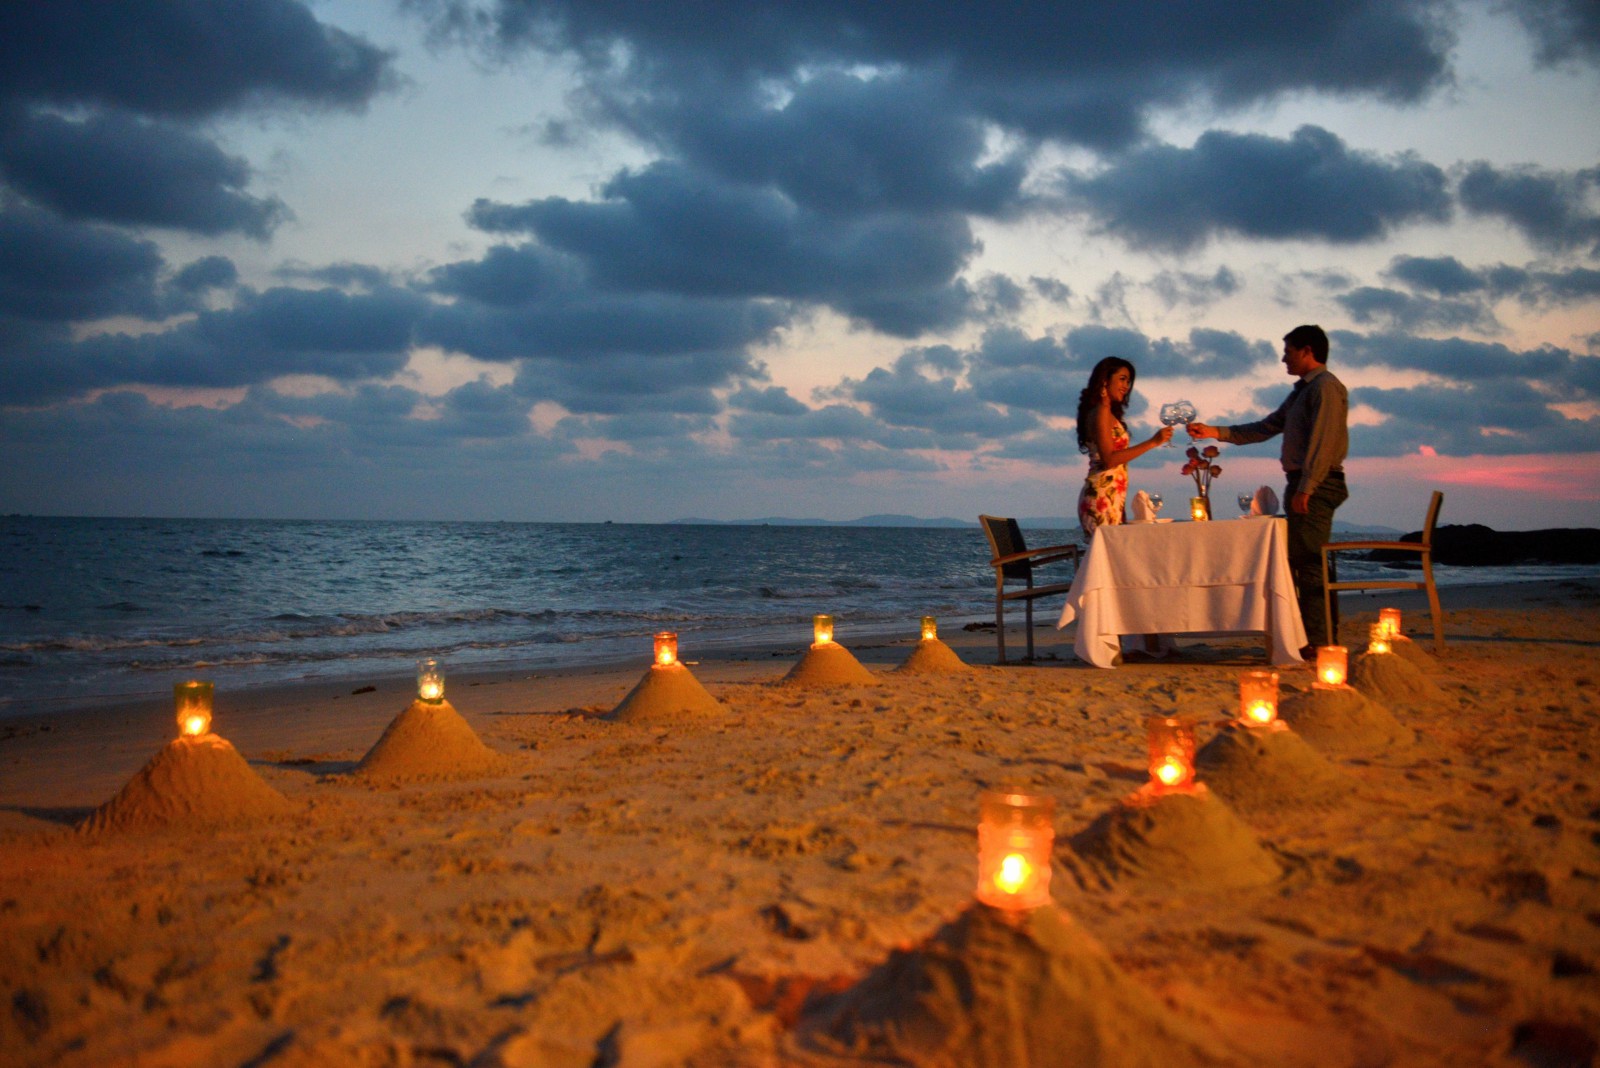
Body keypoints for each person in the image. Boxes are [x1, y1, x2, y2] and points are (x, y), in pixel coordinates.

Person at [1187, 325, 1349, 654]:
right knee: (1302, 561)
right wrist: (1213, 431)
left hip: (1314, 482)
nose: (1283, 358)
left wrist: (1307, 487)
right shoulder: (1301, 392)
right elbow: (1266, 427)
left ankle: (1320, 642)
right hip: (1302, 481)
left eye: (1288, 351)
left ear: (1307, 351)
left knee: (1309, 562)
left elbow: (1323, 443)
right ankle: (1312, 637)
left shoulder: (1326, 388)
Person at [1076, 357, 1174, 537]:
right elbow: (1109, 459)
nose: (1126, 386)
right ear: (1105, 380)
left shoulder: (1105, 412)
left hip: (1111, 495)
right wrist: (1153, 442)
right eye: (1122, 379)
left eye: (1128, 381)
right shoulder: (1101, 412)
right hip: (1102, 496)